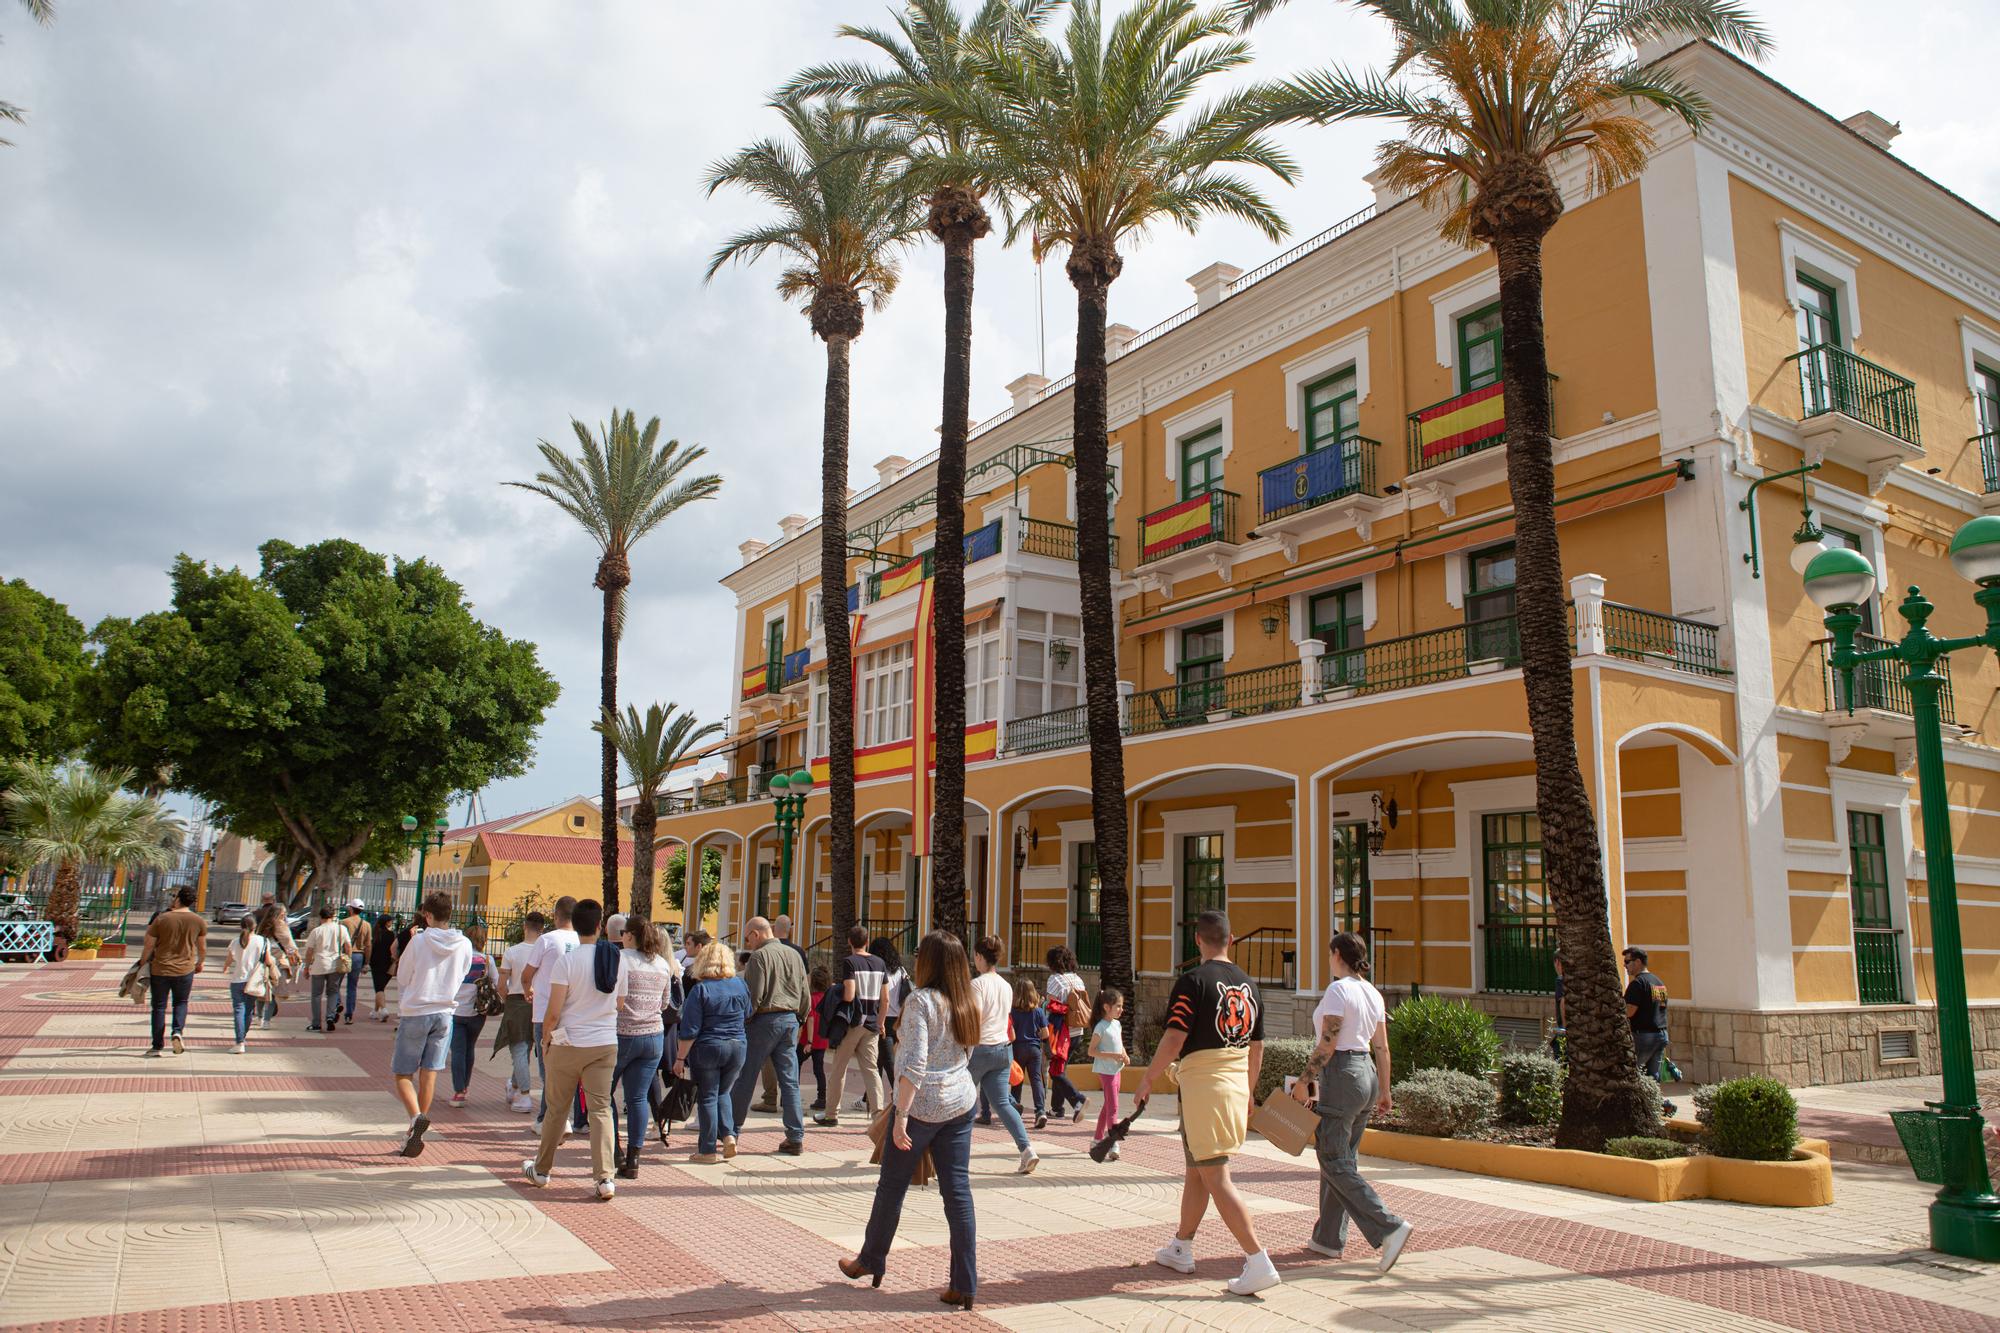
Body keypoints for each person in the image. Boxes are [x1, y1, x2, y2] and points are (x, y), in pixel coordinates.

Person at [1134, 909, 1278, 1297]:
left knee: (1214, 1174)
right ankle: (1182, 1246)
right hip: (1231, 1086)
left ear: (1198, 940)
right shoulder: (1250, 984)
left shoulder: (1192, 981)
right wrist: (1248, 1092)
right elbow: (1257, 1046)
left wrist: (1148, 1077)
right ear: (1230, 939)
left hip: (1203, 1088)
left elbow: (1175, 1037)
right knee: (1197, 1169)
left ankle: (1258, 1259)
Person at [837, 931, 980, 1310]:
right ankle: (964, 1283)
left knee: (892, 1185)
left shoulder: (921, 1002)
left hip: (922, 1107)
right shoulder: (966, 999)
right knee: (958, 1192)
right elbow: (968, 1050)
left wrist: (900, 1115)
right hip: (961, 1102)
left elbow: (914, 1063)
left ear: (929, 961)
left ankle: (870, 1259)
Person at [1291, 932, 1412, 1273]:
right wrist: (1385, 1091)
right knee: (1344, 1159)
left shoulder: (1338, 990)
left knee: (1331, 1157)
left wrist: (1304, 1081)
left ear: (1336, 954)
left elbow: (1328, 1041)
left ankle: (1390, 1227)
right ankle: (1328, 1238)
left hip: (1342, 1075)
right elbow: (1383, 1047)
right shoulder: (1372, 992)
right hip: (1367, 1075)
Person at [520, 898, 627, 1199]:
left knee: (556, 1109)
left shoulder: (567, 962)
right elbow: (619, 1003)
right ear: (599, 925)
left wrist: (546, 1038)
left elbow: (553, 1011)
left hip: (568, 1042)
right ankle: (605, 1178)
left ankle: (542, 1170)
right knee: (600, 1109)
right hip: (604, 1042)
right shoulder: (617, 961)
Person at [391, 893, 472, 1158]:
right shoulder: (464, 943)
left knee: (403, 1074)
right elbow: (463, 973)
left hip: (417, 1010)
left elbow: (402, 975)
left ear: (427, 914)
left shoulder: (419, 941)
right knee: (430, 1072)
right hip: (444, 1012)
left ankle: (415, 1117)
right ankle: (416, 1129)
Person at [731, 915, 810, 1155]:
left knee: (746, 1076)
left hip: (765, 1020)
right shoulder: (795, 955)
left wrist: (746, 1020)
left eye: (748, 938)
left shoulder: (759, 957)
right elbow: (805, 992)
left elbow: (755, 996)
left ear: (756, 934)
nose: (749, 943)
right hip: (791, 1020)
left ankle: (731, 1131)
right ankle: (795, 1137)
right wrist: (801, 1019)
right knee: (789, 1081)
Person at [611, 913, 678, 1177]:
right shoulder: (661, 963)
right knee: (637, 1097)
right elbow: (665, 1003)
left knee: (604, 1093)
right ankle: (634, 1157)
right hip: (652, 1035)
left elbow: (613, 995)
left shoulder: (621, 959)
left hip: (622, 1033)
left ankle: (614, 1149)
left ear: (629, 935)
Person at [673, 939, 751, 1164]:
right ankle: (728, 1135)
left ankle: (707, 1150)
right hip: (737, 1045)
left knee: (708, 1096)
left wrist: (680, 1058)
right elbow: (748, 1012)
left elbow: (690, 1030)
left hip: (708, 1047)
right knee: (723, 1093)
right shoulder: (740, 984)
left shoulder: (701, 989)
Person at [967, 935, 1039, 1174]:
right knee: (1003, 1104)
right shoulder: (1005, 985)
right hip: (1003, 1050)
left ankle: (951, 1154)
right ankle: (1027, 1149)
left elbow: (974, 1021)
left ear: (979, 957)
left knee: (961, 1102)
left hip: (980, 1049)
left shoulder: (976, 985)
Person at [521, 895, 586, 1135]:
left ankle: (552, 1118)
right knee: (567, 1068)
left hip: (546, 1012)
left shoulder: (546, 940)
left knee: (547, 1067)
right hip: (573, 1013)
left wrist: (528, 989)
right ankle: (556, 1117)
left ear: (556, 915)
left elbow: (527, 973)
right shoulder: (584, 941)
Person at [817, 926, 886, 1127]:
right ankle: (877, 1115)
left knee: (839, 1068)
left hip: (853, 1023)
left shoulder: (850, 962)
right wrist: (881, 1023)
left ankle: (831, 1114)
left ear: (849, 941)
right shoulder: (880, 963)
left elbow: (849, 994)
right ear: (867, 940)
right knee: (871, 1070)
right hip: (872, 1023)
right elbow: (886, 999)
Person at [137, 887, 206, 1056]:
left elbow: (149, 944)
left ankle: (157, 1046)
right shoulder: (198, 921)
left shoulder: (162, 919)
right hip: (185, 969)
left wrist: (142, 963)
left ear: (177, 899)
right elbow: (202, 947)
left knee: (159, 1007)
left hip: (160, 968)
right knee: (181, 1002)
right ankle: (177, 1032)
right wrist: (200, 963)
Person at [756, 914, 810, 1111]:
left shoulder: (764, 952)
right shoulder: (798, 952)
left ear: (773, 927)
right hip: (792, 1013)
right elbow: (806, 984)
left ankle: (770, 1097)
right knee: (788, 1061)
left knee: (768, 1059)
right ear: (791, 929)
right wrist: (803, 1016)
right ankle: (789, 1104)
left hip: (769, 1013)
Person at [492, 912, 542, 1113]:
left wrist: (507, 1000)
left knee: (519, 1049)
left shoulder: (512, 952)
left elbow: (501, 984)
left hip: (516, 1001)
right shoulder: (544, 952)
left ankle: (524, 1094)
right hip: (539, 1002)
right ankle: (514, 1085)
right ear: (542, 929)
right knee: (527, 1047)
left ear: (524, 927)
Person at [1623, 946, 1676, 1113]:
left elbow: (1630, 1010)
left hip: (1643, 1036)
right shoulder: (1658, 982)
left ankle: (1636, 1111)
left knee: (1631, 1074)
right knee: (1653, 1078)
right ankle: (1656, 1108)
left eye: (1627, 962)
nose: (1625, 966)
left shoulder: (1638, 984)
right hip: (1661, 1035)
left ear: (1638, 962)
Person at [446, 924, 493, 1108]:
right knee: (469, 1048)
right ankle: (465, 1085)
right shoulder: (486, 960)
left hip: (456, 1011)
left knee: (457, 1051)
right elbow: (495, 982)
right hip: (477, 1012)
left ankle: (459, 1091)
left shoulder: (457, 958)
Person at [223, 906, 278, 1054]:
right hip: (254, 981)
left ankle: (239, 1041)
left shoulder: (235, 942)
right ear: (255, 926)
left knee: (238, 1011)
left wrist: (226, 967)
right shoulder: (263, 941)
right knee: (248, 1011)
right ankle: (242, 1039)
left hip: (237, 981)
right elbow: (267, 960)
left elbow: (229, 959)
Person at [1043, 946, 1089, 1123]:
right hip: (1077, 1031)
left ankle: (1078, 1100)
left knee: (1055, 1072)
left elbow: (1051, 1005)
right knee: (1061, 1068)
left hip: (1062, 1033)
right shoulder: (1078, 979)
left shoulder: (1055, 979)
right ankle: (1056, 1108)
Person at [1089, 989, 1130, 1157]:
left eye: (1122, 1006)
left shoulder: (1116, 1024)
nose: (1121, 1009)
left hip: (1116, 1070)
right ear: (1106, 1007)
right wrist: (1112, 1056)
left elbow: (1119, 1044)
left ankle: (1097, 1139)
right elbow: (1091, 1051)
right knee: (1113, 1107)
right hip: (1106, 1072)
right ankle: (1112, 1144)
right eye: (1118, 1006)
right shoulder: (1100, 1027)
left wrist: (1124, 1054)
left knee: (1108, 1106)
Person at [302, 907, 352, 1032]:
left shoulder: (316, 931)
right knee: (333, 992)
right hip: (335, 965)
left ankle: (316, 1023)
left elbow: (309, 951)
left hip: (319, 965)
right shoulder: (341, 929)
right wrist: (348, 959)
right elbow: (348, 946)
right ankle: (330, 1016)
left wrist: (307, 966)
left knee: (316, 995)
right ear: (333, 916)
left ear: (321, 917)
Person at [872, 936, 908, 1109]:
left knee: (887, 1061)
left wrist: (879, 1021)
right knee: (877, 1059)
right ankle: (869, 1098)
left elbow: (882, 999)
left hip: (884, 1018)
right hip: (899, 1019)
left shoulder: (880, 971)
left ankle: (900, 1097)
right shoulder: (901, 970)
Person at [1010, 977, 1049, 1127]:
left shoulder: (1012, 1011)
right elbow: (1045, 1034)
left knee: (1017, 1081)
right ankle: (1040, 1111)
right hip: (1034, 1049)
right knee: (1036, 1080)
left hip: (1017, 1048)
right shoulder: (1038, 1011)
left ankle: (1015, 1110)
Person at [255, 905, 291, 1027]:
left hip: (264, 961)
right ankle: (266, 1020)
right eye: (283, 912)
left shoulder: (262, 925)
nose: (285, 914)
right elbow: (290, 944)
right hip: (278, 962)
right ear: (278, 914)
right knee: (273, 993)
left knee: (263, 991)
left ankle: (260, 1017)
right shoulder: (282, 926)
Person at [805, 964, 832, 1111]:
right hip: (822, 1040)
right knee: (819, 1069)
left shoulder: (811, 999)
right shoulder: (828, 998)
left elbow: (810, 1019)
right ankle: (822, 1098)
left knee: (795, 1065)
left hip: (808, 1041)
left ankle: (789, 1097)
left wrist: (809, 1040)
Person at [342, 903, 372, 1027]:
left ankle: (336, 1004)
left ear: (350, 909)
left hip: (344, 955)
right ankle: (349, 1014)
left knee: (335, 984)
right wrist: (366, 962)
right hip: (358, 956)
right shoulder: (366, 925)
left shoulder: (343, 922)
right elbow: (368, 945)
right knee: (352, 986)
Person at [368, 912, 397, 1021]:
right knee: (380, 987)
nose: (391, 923)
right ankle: (375, 1011)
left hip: (376, 963)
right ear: (386, 922)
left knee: (379, 988)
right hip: (387, 964)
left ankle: (383, 1009)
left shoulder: (375, 933)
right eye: (390, 921)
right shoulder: (390, 934)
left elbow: (371, 948)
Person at [1549, 952, 1568, 1059]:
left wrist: (1564, 1028)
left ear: (1557, 962)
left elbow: (1563, 1002)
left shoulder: (1561, 980)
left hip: (1565, 1030)